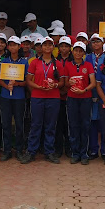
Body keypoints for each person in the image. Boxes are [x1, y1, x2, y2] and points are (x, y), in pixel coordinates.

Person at [21, 36, 64, 164]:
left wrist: (55, 85)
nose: (47, 47)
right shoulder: (34, 62)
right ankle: (31, 151)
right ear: (40, 47)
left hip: (53, 97)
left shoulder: (58, 63)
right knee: (36, 125)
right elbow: (28, 80)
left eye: (49, 45)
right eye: (44, 45)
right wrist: (37, 86)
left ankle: (49, 151)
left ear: (53, 47)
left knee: (50, 125)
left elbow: (62, 82)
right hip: (37, 96)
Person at [0, 36, 30, 161]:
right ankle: (7, 150)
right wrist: (7, 86)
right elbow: (0, 79)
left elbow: (27, 81)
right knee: (6, 124)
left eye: (15, 45)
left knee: (19, 124)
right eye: (10, 45)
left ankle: (19, 150)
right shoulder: (4, 61)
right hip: (5, 96)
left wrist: (17, 84)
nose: (12, 47)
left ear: (19, 46)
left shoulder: (24, 62)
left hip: (19, 97)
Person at [65, 41, 96, 165]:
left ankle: (84, 153)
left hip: (85, 98)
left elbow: (93, 83)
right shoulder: (68, 65)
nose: (78, 53)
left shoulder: (88, 65)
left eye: (80, 51)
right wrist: (69, 83)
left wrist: (84, 90)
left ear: (84, 53)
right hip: (72, 98)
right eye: (76, 50)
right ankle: (75, 153)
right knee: (73, 125)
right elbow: (65, 83)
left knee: (85, 125)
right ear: (72, 52)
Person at [86, 33, 105, 159]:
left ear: (102, 43)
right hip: (90, 92)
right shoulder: (88, 57)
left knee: (104, 122)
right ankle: (93, 149)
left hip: (104, 92)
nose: (96, 44)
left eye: (98, 41)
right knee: (92, 122)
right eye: (93, 41)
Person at [54, 35, 72, 158]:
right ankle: (58, 149)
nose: (64, 48)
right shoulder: (55, 60)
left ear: (70, 48)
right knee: (58, 123)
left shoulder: (74, 60)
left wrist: (66, 90)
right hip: (57, 96)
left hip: (71, 96)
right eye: (62, 46)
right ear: (59, 47)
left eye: (66, 46)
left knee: (69, 124)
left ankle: (69, 148)